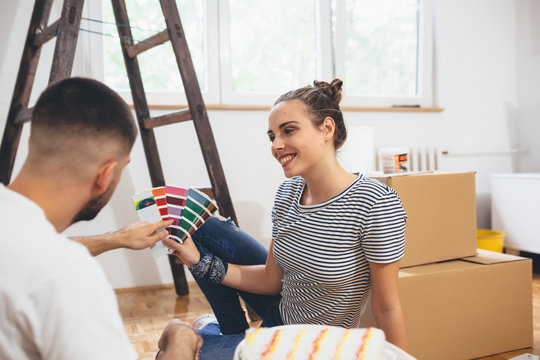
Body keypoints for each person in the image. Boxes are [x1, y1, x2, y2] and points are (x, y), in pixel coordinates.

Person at [165, 79, 409, 358]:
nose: (276, 145)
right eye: (272, 136)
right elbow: (271, 280)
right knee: (198, 224)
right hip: (279, 318)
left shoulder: (375, 203)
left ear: (327, 129)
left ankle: (215, 336)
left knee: (180, 350)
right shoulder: (288, 193)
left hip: (311, 348)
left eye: (288, 131)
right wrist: (199, 261)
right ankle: (231, 334)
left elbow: (387, 307)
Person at [0, 77, 200, 360]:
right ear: (105, 175)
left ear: (32, 143)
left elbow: (27, 250)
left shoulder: (24, 240)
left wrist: (117, 239)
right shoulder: (67, 275)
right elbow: (48, 265)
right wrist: (182, 339)